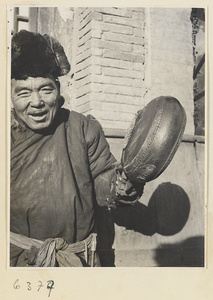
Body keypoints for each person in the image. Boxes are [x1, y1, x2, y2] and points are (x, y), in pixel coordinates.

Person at [10, 30, 144, 267]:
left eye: (46, 89)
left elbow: (104, 177)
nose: (37, 101)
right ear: (11, 95)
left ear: (58, 90)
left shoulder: (82, 127)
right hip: (20, 262)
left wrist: (121, 183)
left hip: (79, 260)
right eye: (24, 92)